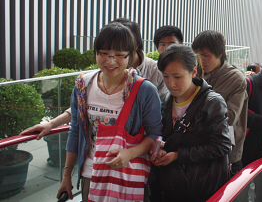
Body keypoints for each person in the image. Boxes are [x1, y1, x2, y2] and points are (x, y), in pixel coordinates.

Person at [57, 22, 162, 201]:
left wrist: (130, 153)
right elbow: (75, 131)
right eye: (103, 54)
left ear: (130, 56)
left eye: (119, 55)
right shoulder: (83, 86)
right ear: (96, 53)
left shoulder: (145, 90)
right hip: (91, 173)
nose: (110, 61)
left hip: (130, 175)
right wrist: (66, 177)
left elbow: (155, 134)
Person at [21, 19, 168, 140]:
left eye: (119, 51)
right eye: (105, 51)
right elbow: (83, 107)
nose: (111, 61)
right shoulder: (94, 78)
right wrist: (52, 124)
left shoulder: (155, 74)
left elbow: (161, 116)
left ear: (133, 46)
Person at [151, 44, 231, 202]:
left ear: (193, 71)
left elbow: (222, 145)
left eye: (177, 77)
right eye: (165, 76)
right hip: (170, 187)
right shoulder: (164, 99)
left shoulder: (212, 102)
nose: (171, 83)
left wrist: (178, 155)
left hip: (202, 189)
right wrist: (159, 149)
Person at [192, 30, 248, 176]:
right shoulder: (194, 73)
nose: (201, 60)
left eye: (205, 55)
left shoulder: (236, 79)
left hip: (226, 154)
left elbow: (229, 117)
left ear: (220, 54)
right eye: (197, 55)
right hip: (196, 149)